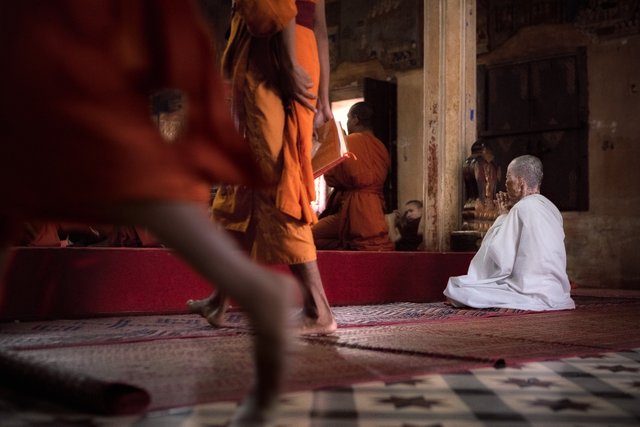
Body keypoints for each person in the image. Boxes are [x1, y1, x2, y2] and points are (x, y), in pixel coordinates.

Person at [0, 1, 298, 424]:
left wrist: (168, 146)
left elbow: (168, 78)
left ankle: (250, 288)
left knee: (141, 184)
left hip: (102, 54)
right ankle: (245, 289)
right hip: (94, 57)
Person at [188, 0, 337, 335]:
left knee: (276, 180)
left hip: (275, 58)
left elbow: (283, 10)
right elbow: (321, 30)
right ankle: (220, 299)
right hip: (297, 54)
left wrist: (285, 62)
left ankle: (318, 308)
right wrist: (324, 97)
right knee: (246, 184)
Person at [444, 155, 575, 311]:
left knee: (457, 288)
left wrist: (502, 216)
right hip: (556, 290)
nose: (505, 184)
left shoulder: (521, 208)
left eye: (508, 179)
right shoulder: (552, 209)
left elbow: (501, 260)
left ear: (520, 183)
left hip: (528, 290)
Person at [312, 102, 394, 251]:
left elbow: (331, 178)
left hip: (355, 208)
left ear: (356, 119)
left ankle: (344, 246)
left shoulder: (349, 142)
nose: (348, 122)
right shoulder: (381, 147)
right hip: (376, 209)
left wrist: (335, 145)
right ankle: (345, 246)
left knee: (309, 237)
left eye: (349, 118)